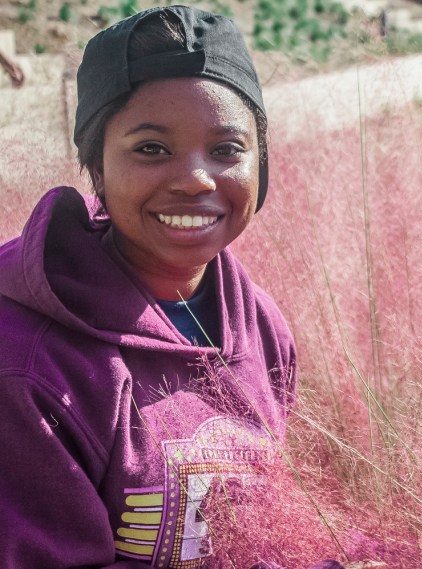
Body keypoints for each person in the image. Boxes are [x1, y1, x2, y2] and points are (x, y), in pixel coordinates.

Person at [0, 6, 344, 568]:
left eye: (227, 149)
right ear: (97, 169)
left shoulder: (258, 322)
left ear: (262, 167)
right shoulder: (24, 359)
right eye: (151, 149)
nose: (196, 178)